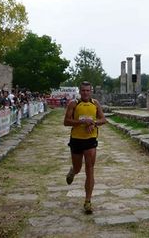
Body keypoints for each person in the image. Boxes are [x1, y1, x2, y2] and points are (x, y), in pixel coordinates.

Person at [63, 81, 106, 214]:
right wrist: (82, 122)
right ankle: (73, 171)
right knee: (78, 168)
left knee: (90, 169)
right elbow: (66, 121)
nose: (86, 93)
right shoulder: (73, 104)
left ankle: (88, 201)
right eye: (83, 90)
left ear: (91, 91)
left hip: (90, 140)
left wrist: (94, 123)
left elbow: (103, 119)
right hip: (76, 139)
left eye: (88, 90)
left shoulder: (95, 103)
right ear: (80, 91)